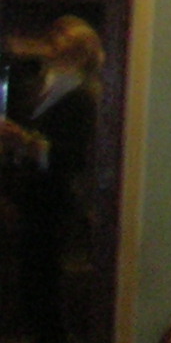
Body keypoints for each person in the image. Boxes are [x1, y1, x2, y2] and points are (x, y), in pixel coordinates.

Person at [1, 18, 103, 343]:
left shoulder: (82, 96)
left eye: (63, 41)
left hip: (55, 200)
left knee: (46, 281)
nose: (53, 44)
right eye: (54, 37)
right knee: (27, 279)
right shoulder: (38, 86)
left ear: (80, 52)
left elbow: (71, 157)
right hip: (25, 194)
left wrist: (25, 141)